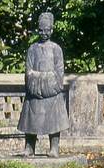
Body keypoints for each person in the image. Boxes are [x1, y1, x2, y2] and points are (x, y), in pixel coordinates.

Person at [17, 12, 70, 157]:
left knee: (54, 121)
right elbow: (28, 71)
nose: (44, 33)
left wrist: (45, 81)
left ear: (52, 30)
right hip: (34, 92)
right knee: (31, 121)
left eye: (47, 30)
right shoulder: (32, 49)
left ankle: (54, 147)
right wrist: (36, 81)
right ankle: (29, 147)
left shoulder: (56, 49)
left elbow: (59, 73)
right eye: (41, 30)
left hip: (52, 92)